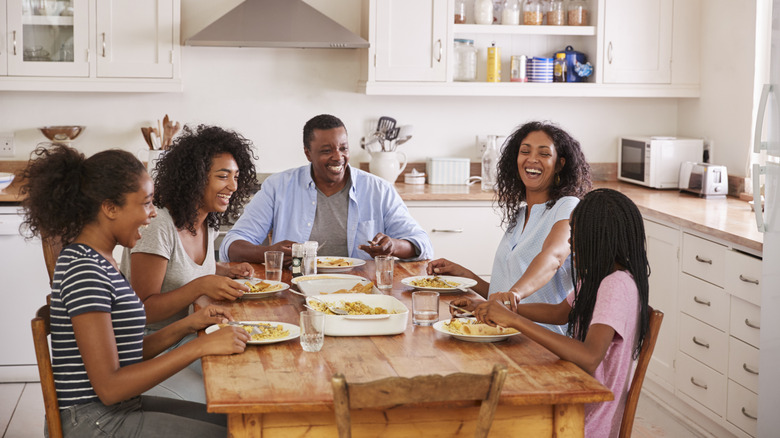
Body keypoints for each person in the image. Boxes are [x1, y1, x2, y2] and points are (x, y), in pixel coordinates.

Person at [19, 145, 250, 438]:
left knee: (239, 423)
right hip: (94, 422)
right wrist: (200, 346)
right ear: (110, 208)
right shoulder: (84, 269)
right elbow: (110, 387)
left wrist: (190, 324)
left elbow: (126, 353)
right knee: (236, 433)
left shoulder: (102, 260)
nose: (152, 214)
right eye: (145, 204)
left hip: (117, 411)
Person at [453, 188, 650, 438]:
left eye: (576, 235)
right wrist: (500, 309)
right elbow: (559, 313)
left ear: (600, 238)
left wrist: (514, 320)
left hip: (585, 420)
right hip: (574, 396)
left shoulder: (616, 285)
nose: (570, 242)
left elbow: (590, 357)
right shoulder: (598, 277)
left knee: (486, 420)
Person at [427, 120, 591, 334]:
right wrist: (464, 275)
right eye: (525, 151)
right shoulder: (520, 215)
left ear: (560, 164)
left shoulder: (568, 206)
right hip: (505, 333)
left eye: (544, 154)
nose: (532, 159)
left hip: (543, 341)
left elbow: (554, 257)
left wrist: (514, 294)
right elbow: (502, 296)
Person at [220, 114, 433, 263]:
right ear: (307, 153)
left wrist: (393, 246)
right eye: (326, 150)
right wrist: (268, 253)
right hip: (296, 288)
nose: (338, 157)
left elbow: (422, 244)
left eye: (343, 148)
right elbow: (231, 246)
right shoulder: (278, 187)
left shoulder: (379, 190)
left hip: (362, 291)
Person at [122, 125, 259, 332]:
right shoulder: (158, 225)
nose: (233, 186)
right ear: (195, 178)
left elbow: (179, 268)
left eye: (236, 177)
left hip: (192, 332)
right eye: (223, 176)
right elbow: (143, 310)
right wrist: (202, 286)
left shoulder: (206, 220)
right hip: (152, 344)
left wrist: (225, 271)